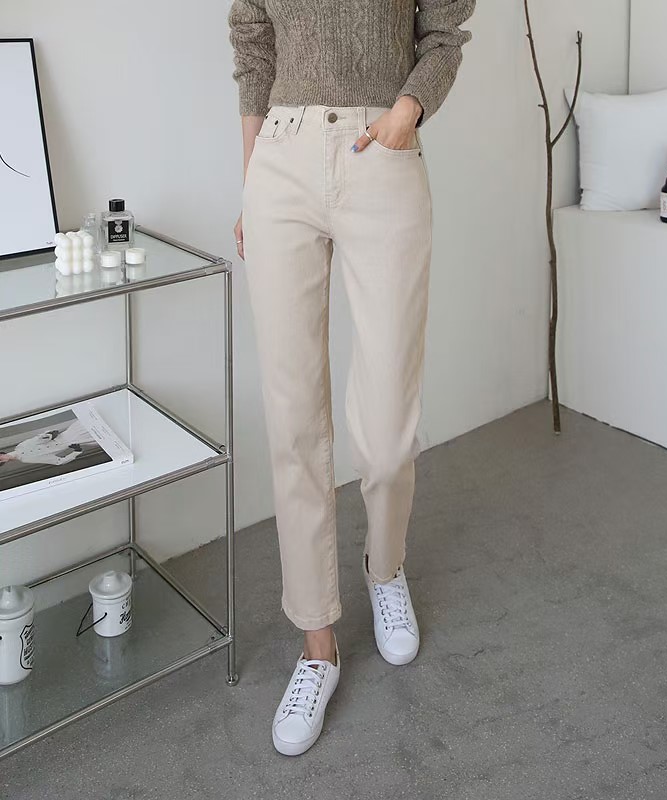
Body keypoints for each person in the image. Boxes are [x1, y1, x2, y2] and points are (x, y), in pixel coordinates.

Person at [228, 0, 475, 756]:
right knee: (293, 419)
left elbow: (444, 35)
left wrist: (406, 112)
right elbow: (253, 43)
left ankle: (385, 568)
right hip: (282, 159)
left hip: (382, 151)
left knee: (389, 425)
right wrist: (251, 178)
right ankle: (317, 645)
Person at [0, 421, 92, 468]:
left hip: (66, 434)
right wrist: (76, 452)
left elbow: (38, 439)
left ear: (1, 454)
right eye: (1, 462)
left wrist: (49, 434)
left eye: (0, 458)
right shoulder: (27, 459)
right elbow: (58, 461)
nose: (2, 460)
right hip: (74, 441)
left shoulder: (20, 446)